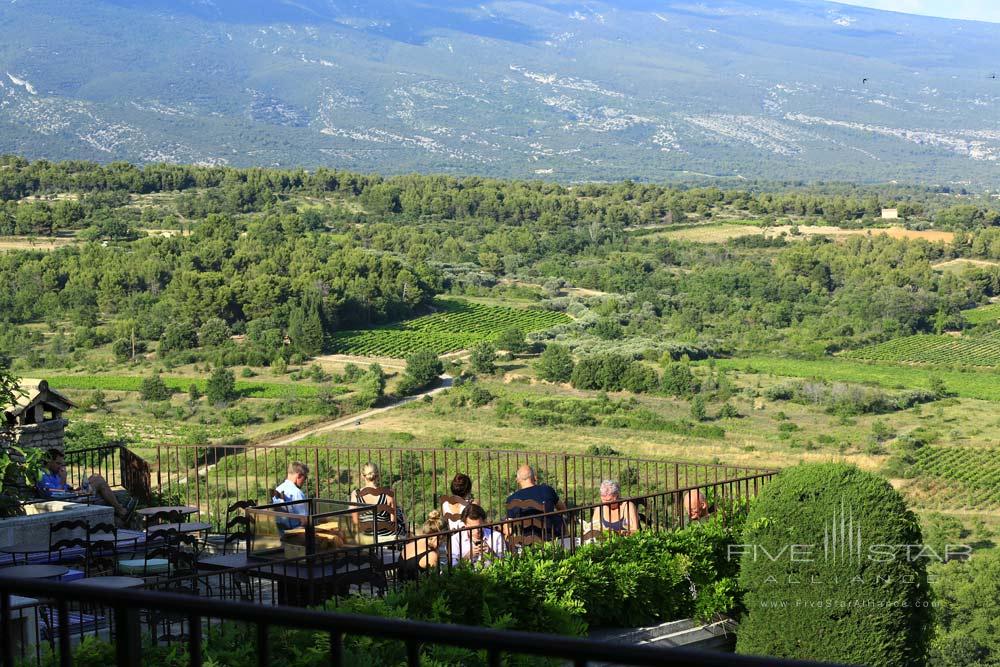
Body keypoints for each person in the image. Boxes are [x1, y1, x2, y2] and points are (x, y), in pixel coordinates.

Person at [39, 449, 136, 523]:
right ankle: (121, 511)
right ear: (49, 461)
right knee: (99, 481)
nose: (60, 466)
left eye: (62, 464)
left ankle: (120, 509)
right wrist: (63, 480)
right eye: (58, 463)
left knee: (95, 476)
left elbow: (64, 488)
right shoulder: (42, 475)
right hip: (65, 500)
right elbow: (54, 494)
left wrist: (73, 489)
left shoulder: (55, 472)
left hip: (70, 495)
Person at [350, 462, 406, 544]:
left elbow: (355, 521)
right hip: (386, 536)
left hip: (366, 536)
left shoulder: (355, 494)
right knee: (401, 514)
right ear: (378, 476)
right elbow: (393, 522)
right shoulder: (388, 494)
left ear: (362, 476)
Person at [505, 464, 566, 536]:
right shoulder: (547, 489)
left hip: (527, 541)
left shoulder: (512, 500)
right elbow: (563, 509)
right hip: (551, 537)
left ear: (518, 480)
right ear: (535, 478)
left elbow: (508, 530)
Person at [397, 510, 443, 581]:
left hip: (402, 589)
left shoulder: (408, 545)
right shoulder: (431, 555)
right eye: (442, 540)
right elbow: (436, 583)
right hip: (418, 591)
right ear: (437, 536)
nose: (442, 543)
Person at [273, 461, 310, 529]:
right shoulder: (296, 493)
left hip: (281, 532)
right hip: (296, 534)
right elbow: (304, 521)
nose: (304, 481)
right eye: (305, 478)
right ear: (299, 476)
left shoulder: (278, 489)